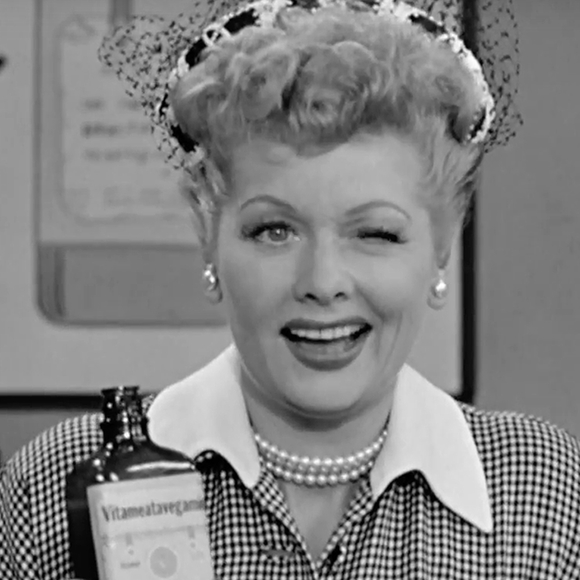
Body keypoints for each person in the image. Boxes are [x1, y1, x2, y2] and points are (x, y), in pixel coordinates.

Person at [1, 0, 579, 578]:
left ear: (441, 248)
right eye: (274, 230)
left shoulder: (549, 493)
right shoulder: (50, 491)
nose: (322, 283)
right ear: (209, 240)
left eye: (375, 233)